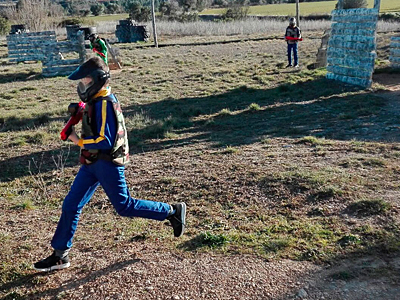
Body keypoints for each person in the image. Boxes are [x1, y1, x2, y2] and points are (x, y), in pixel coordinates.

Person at [33, 57, 186, 272]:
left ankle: (171, 211)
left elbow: (105, 139)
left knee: (124, 207)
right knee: (71, 204)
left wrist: (76, 140)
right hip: (92, 163)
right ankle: (60, 255)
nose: (83, 85)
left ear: (97, 81)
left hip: (107, 163)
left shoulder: (106, 103)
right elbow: (91, 116)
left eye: (86, 81)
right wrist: (81, 110)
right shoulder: (97, 100)